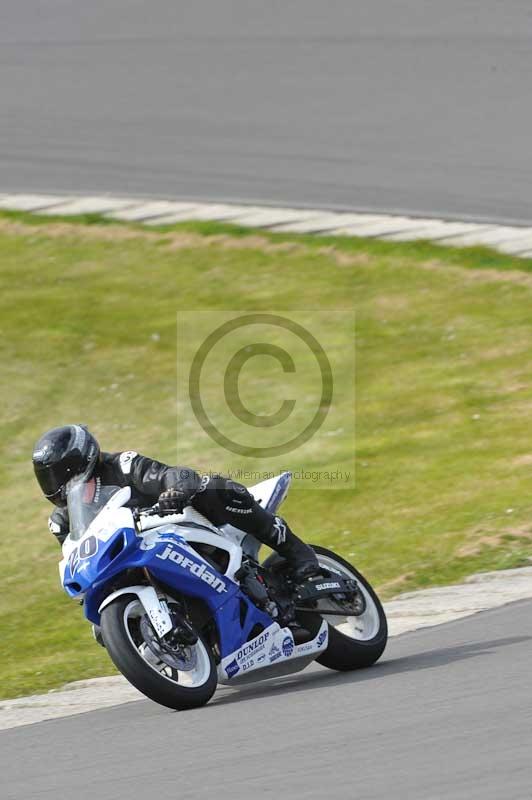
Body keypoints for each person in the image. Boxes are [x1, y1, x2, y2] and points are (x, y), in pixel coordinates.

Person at [32, 424, 320, 582]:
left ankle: (296, 551)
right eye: (48, 477)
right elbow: (79, 561)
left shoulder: (122, 466)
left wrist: (175, 491)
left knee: (213, 488)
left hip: (182, 528)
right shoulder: (62, 522)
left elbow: (173, 475)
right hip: (134, 560)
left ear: (80, 461)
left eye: (59, 474)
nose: (56, 484)